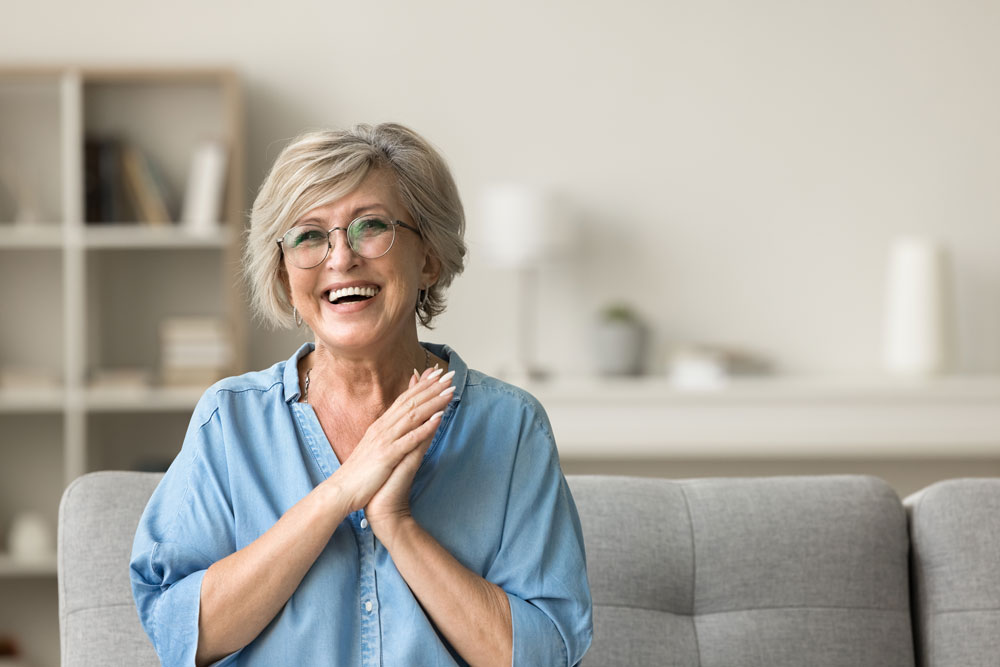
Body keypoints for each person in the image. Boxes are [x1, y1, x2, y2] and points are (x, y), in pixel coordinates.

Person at [129, 123, 593, 666]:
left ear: (429, 258)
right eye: (308, 235)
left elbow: (545, 655)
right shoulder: (230, 420)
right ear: (283, 274)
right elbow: (182, 633)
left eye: (369, 226)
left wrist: (397, 525)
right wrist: (340, 492)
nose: (340, 258)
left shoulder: (510, 428)